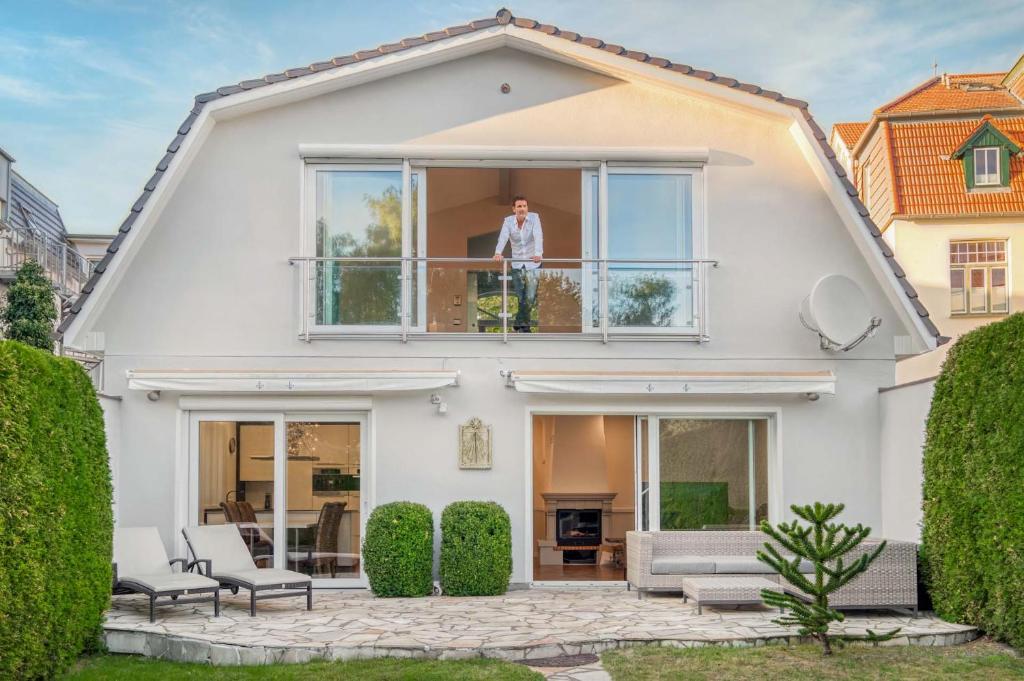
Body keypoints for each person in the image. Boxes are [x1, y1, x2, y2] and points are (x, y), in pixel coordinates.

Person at [493, 195, 543, 332]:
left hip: (533, 263)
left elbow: (538, 235)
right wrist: (498, 252)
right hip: (516, 264)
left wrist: (538, 253)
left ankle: (519, 322)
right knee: (521, 297)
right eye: (519, 206)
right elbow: (503, 237)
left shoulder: (534, 218)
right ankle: (523, 326)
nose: (522, 209)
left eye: (524, 206)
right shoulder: (508, 222)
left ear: (527, 208)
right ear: (514, 209)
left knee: (530, 296)